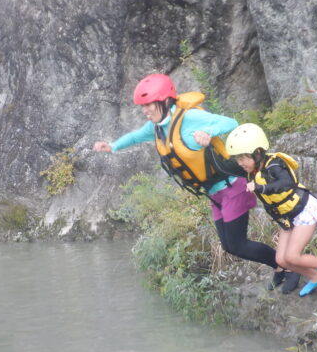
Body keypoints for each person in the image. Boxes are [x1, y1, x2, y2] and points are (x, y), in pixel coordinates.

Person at [93, 73, 301, 292]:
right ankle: (279, 267)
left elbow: (231, 123)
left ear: (164, 101)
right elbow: (135, 136)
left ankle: (291, 267)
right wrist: (112, 146)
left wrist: (209, 133)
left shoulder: (189, 118)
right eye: (142, 106)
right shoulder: (157, 127)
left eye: (148, 105)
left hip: (232, 187)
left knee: (238, 244)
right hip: (214, 194)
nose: (145, 111)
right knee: (230, 247)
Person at [225, 123, 317, 296]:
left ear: (257, 153)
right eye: (238, 158)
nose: (239, 162)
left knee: (293, 256)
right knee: (281, 260)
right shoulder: (253, 170)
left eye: (243, 157)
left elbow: (287, 183)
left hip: (303, 210)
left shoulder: (274, 165)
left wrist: (261, 188)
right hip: (287, 217)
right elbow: (224, 166)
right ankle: (316, 277)